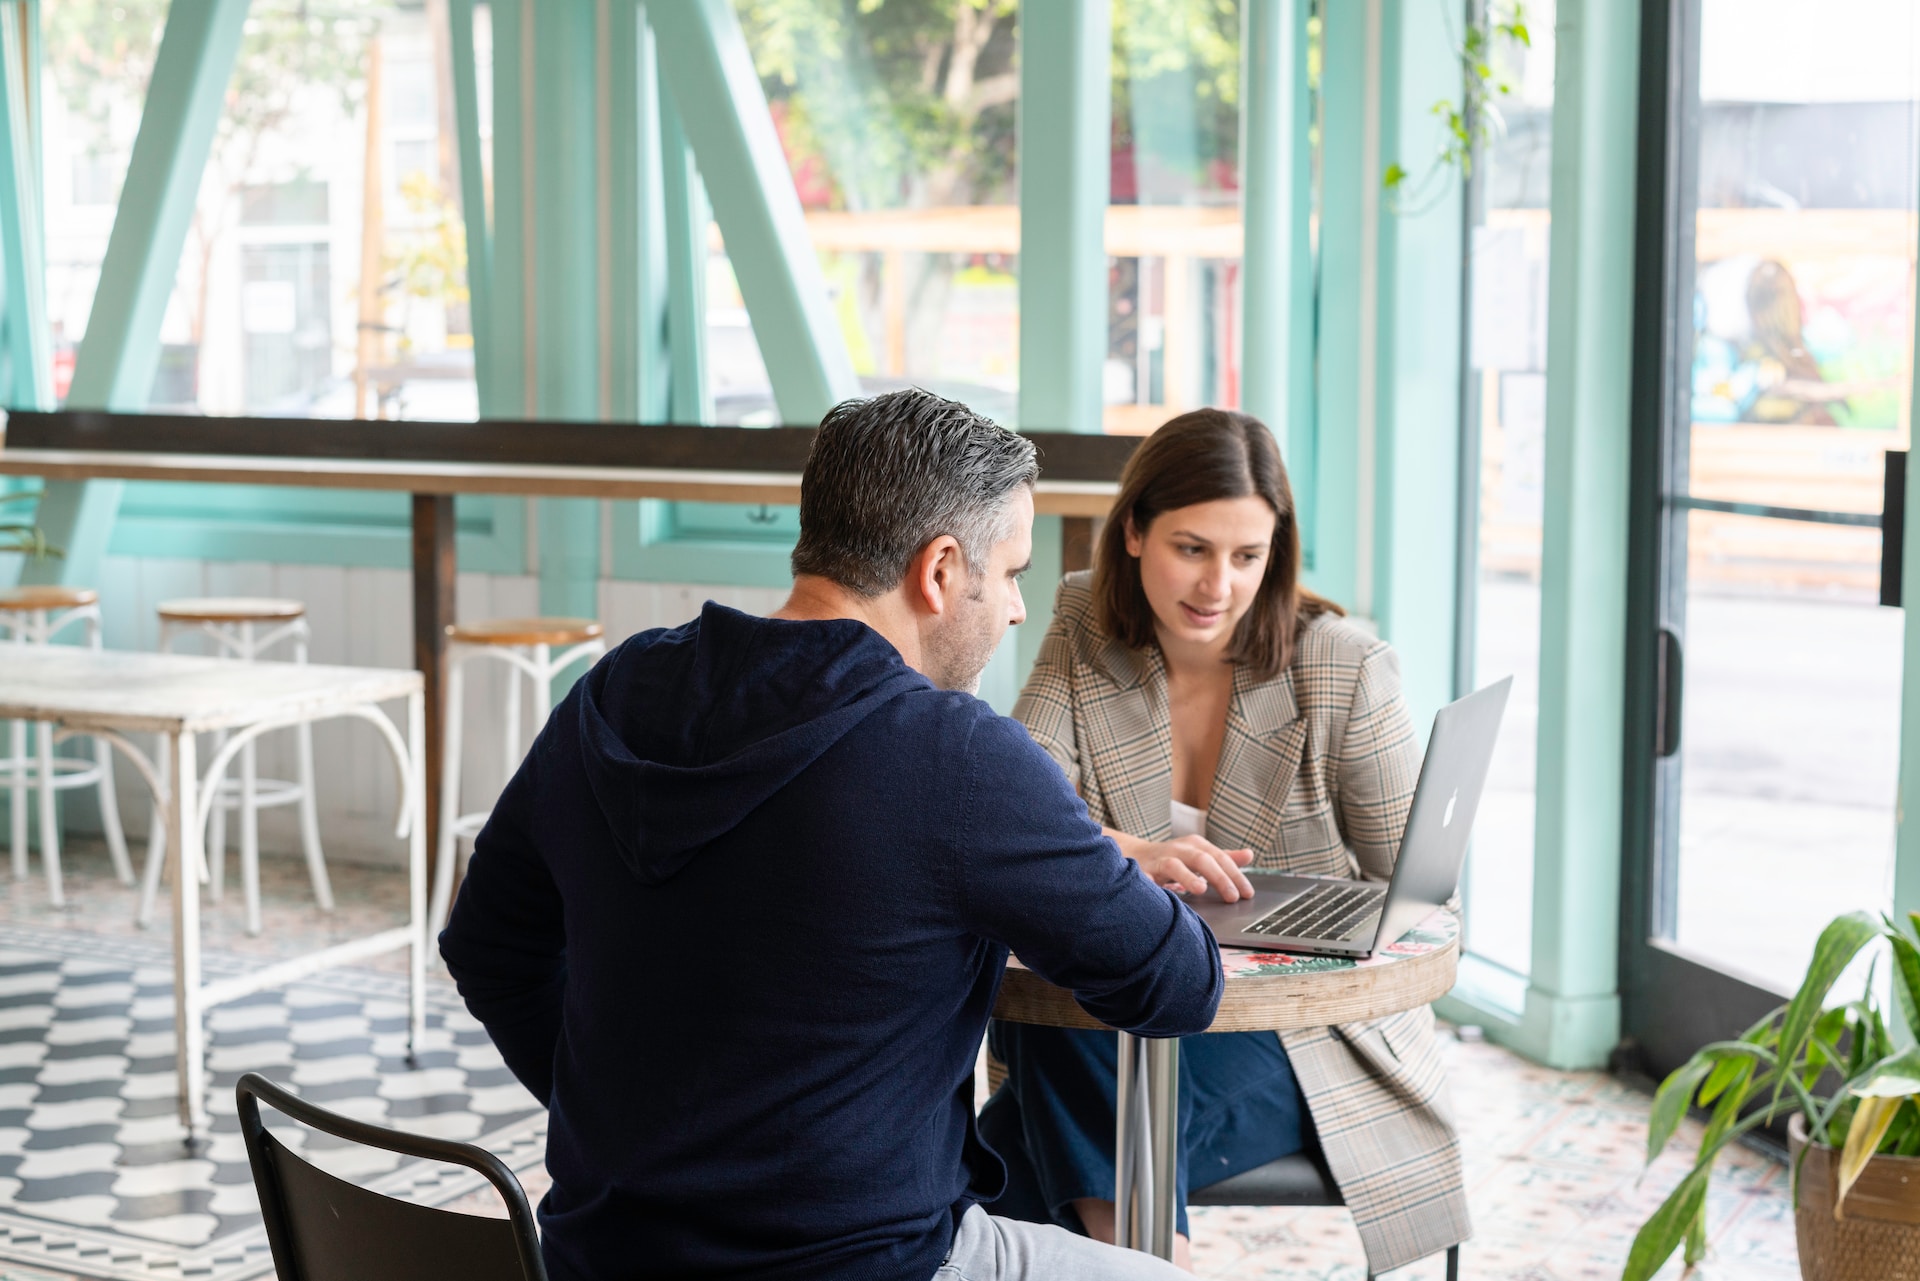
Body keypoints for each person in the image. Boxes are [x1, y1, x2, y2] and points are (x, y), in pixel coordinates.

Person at [439, 388, 1224, 1281]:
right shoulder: (956, 756)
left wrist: (634, 1135)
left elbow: (486, 944)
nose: (1014, 609)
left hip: (603, 1259)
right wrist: (1089, 849)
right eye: (1009, 573)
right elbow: (1177, 983)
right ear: (938, 571)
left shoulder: (613, 692)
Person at [979, 409, 1470, 1276]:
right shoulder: (1085, 621)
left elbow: (1422, 896)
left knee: (990, 1152)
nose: (1219, 585)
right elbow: (1021, 811)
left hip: (1300, 1036)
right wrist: (1126, 849)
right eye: (1194, 548)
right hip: (1127, 1011)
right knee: (1076, 1035)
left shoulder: (1343, 666)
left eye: (1249, 556)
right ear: (1133, 531)